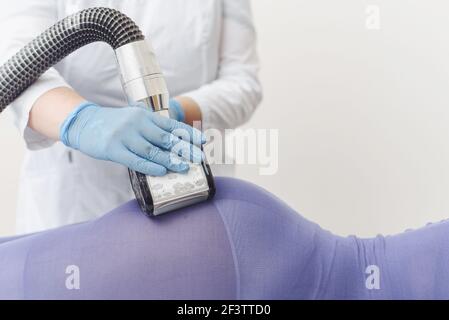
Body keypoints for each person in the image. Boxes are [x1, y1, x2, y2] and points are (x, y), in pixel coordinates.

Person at [0, 0, 262, 234]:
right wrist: (83, 122)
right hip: (77, 198)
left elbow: (242, 83)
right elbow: (14, 63)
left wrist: (172, 114)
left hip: (187, 180)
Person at [0, 177, 448, 300]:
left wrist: (183, 110)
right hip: (215, 263)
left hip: (247, 235)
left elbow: (240, 80)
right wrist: (80, 119)